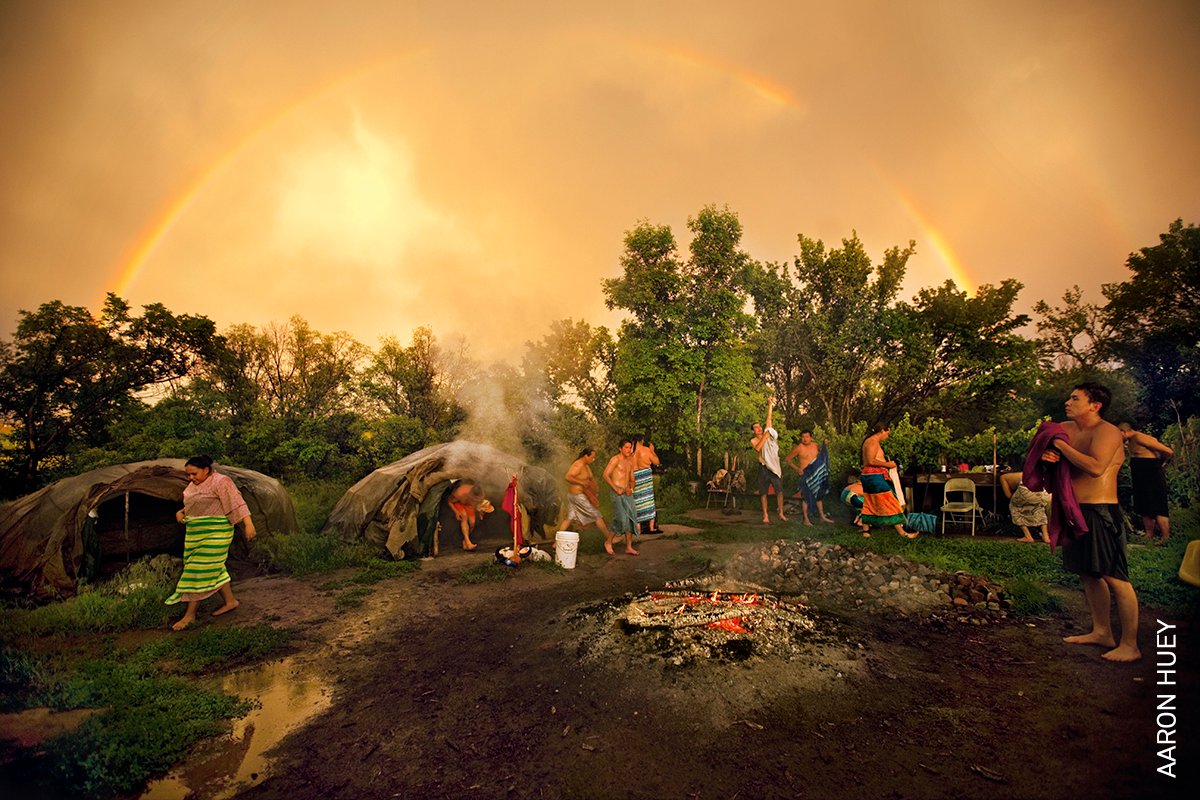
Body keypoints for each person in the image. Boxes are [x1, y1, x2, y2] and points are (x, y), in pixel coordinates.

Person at [1040, 383, 1140, 662]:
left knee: (1115, 576)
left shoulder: (1107, 432)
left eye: (1075, 398)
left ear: (1094, 405)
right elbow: (1055, 462)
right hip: (1073, 509)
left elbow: (1096, 468)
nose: (1067, 402)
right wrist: (1049, 458)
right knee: (1088, 572)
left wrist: (1058, 445)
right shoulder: (1067, 429)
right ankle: (1102, 631)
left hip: (1100, 511)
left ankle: (1130, 645)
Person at [166, 455, 257, 631]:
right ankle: (230, 601)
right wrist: (181, 512)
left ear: (206, 470)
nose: (190, 477)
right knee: (214, 567)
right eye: (188, 475)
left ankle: (190, 615)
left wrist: (248, 524)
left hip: (217, 532)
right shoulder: (193, 486)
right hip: (196, 533)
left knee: (198, 569)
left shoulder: (222, 481)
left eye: (193, 473)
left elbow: (236, 502)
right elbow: (197, 503)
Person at [558, 448, 627, 555]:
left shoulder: (585, 465)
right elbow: (568, 477)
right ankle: (610, 539)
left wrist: (594, 490)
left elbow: (589, 479)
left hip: (576, 496)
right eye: (592, 457)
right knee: (597, 515)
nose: (593, 459)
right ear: (586, 455)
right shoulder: (578, 465)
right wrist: (581, 482)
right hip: (577, 496)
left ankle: (556, 543)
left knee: (569, 518)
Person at [1119, 422, 1174, 542]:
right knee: (1143, 504)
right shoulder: (1131, 441)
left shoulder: (1139, 437)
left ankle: (1166, 538)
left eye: (1119, 435)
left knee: (1158, 503)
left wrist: (1162, 462)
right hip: (1140, 473)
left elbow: (1168, 451)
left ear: (1124, 431)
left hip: (1151, 471)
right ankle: (1149, 535)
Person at [860, 423, 915, 539]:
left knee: (869, 502)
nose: (887, 436)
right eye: (888, 433)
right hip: (874, 477)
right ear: (882, 431)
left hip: (870, 476)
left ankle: (866, 532)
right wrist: (888, 464)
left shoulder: (871, 441)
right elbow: (870, 461)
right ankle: (903, 533)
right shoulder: (872, 442)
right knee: (891, 501)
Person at [785, 430, 835, 525]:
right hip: (806, 475)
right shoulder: (799, 448)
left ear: (811, 437)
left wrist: (825, 444)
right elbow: (788, 459)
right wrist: (797, 469)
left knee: (819, 496)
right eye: (803, 437)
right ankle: (806, 519)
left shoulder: (815, 445)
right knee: (806, 498)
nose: (805, 439)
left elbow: (823, 455)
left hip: (817, 474)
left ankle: (822, 517)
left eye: (807, 437)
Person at [751, 397, 788, 524]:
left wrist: (770, 405)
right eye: (756, 428)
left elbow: (769, 420)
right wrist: (765, 436)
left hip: (774, 467)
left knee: (779, 491)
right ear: (753, 431)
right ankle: (765, 515)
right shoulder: (754, 440)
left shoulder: (769, 435)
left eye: (760, 426)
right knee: (763, 492)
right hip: (763, 468)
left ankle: (781, 513)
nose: (759, 429)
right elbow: (758, 448)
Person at [602, 440, 640, 555]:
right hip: (616, 492)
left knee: (631, 519)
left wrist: (631, 489)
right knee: (620, 518)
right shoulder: (615, 459)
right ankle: (608, 542)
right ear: (620, 448)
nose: (629, 450)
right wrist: (615, 488)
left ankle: (628, 547)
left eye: (630, 447)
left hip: (627, 493)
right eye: (627, 448)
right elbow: (605, 475)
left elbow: (632, 479)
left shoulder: (630, 461)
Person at [999, 471, 1050, 543]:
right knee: (1039, 508)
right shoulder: (1031, 473)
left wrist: (1016, 501)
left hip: (1026, 490)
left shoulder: (1004, 477)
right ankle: (1046, 536)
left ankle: (1028, 536)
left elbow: (1008, 495)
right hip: (1044, 492)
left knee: (1014, 507)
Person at [448, 480, 491, 551]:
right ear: (471, 495)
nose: (476, 501)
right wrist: (456, 512)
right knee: (464, 516)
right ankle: (468, 542)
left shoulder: (480, 493)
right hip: (457, 503)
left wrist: (481, 512)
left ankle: (465, 540)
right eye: (475, 499)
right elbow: (449, 501)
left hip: (468, 505)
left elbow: (480, 504)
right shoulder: (460, 493)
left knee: (472, 522)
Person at [631, 434, 661, 534]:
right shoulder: (646, 450)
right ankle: (651, 527)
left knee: (637, 502)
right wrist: (652, 450)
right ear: (642, 440)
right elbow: (656, 462)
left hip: (634, 477)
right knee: (648, 500)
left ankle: (638, 528)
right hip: (645, 477)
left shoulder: (630, 452)